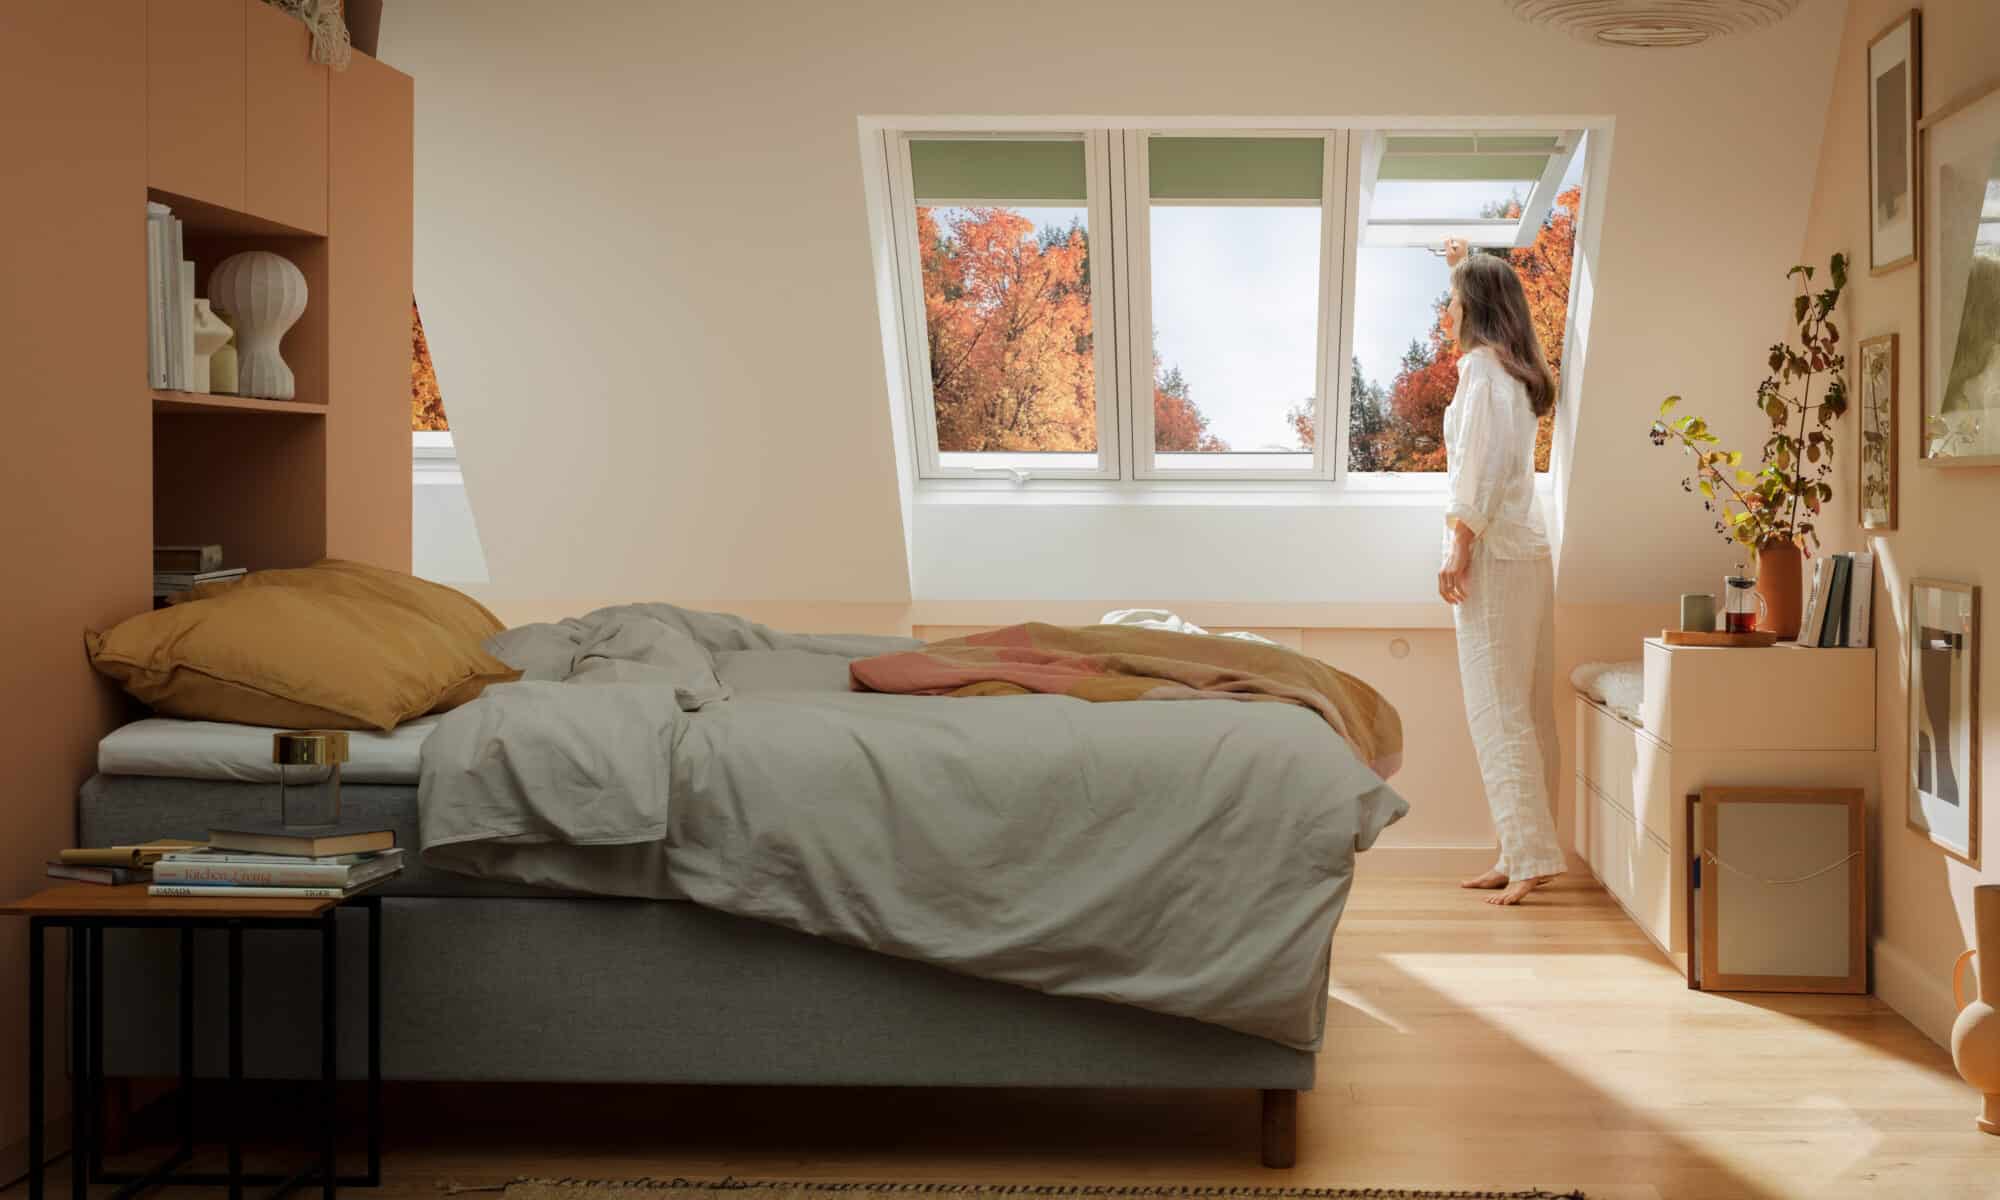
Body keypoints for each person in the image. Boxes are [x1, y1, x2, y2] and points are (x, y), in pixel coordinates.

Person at [1435, 237, 1565, 907]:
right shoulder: (1514, 376)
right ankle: (1521, 848)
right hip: (1528, 554)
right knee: (1527, 710)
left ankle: (1530, 856)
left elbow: (1477, 470)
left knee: (1497, 710)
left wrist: (1459, 544)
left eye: (1452, 300)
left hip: (1495, 555)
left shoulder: (1481, 374)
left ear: (1475, 307)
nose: (1446, 311)